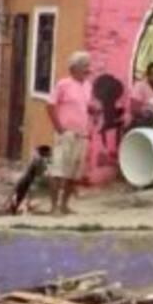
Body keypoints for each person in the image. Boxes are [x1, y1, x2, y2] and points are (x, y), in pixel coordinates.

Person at [46, 51, 97, 215]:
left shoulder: (88, 85)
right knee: (58, 170)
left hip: (82, 134)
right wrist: (59, 128)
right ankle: (54, 207)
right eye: (85, 66)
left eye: (88, 65)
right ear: (74, 68)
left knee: (74, 173)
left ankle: (64, 206)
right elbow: (50, 105)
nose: (88, 69)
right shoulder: (63, 84)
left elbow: (85, 106)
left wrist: (92, 109)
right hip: (66, 133)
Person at [129, 61, 153, 127]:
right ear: (148, 74)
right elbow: (134, 110)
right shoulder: (140, 86)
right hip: (140, 123)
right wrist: (151, 114)